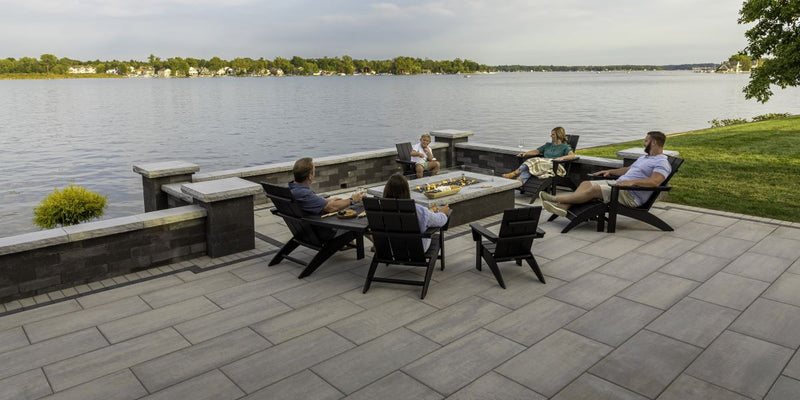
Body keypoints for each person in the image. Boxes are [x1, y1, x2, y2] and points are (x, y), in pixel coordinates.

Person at [539, 131, 672, 217]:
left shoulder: (662, 162)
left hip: (630, 194)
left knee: (594, 190)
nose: (644, 142)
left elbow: (655, 182)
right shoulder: (645, 158)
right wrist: (610, 172)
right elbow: (627, 170)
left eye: (646, 140)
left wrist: (632, 182)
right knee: (586, 183)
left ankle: (555, 199)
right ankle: (565, 207)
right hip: (619, 186)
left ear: (654, 142)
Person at [382, 174, 450, 250]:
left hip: (389, 248)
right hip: (415, 250)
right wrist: (443, 213)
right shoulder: (417, 210)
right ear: (406, 191)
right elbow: (440, 221)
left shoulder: (379, 208)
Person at [289, 157, 364, 215]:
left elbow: (309, 201)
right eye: (314, 170)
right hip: (325, 231)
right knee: (359, 210)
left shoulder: (292, 189)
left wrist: (326, 200)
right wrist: (352, 200)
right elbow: (331, 207)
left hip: (307, 228)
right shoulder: (303, 193)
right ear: (310, 176)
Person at [502, 126, 575, 181]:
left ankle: (514, 173)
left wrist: (562, 158)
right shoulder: (548, 145)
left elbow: (572, 156)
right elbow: (536, 151)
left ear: (559, 135)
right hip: (543, 164)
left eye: (553, 134)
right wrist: (525, 153)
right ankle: (519, 181)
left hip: (555, 167)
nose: (551, 136)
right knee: (531, 168)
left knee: (536, 160)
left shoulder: (565, 147)